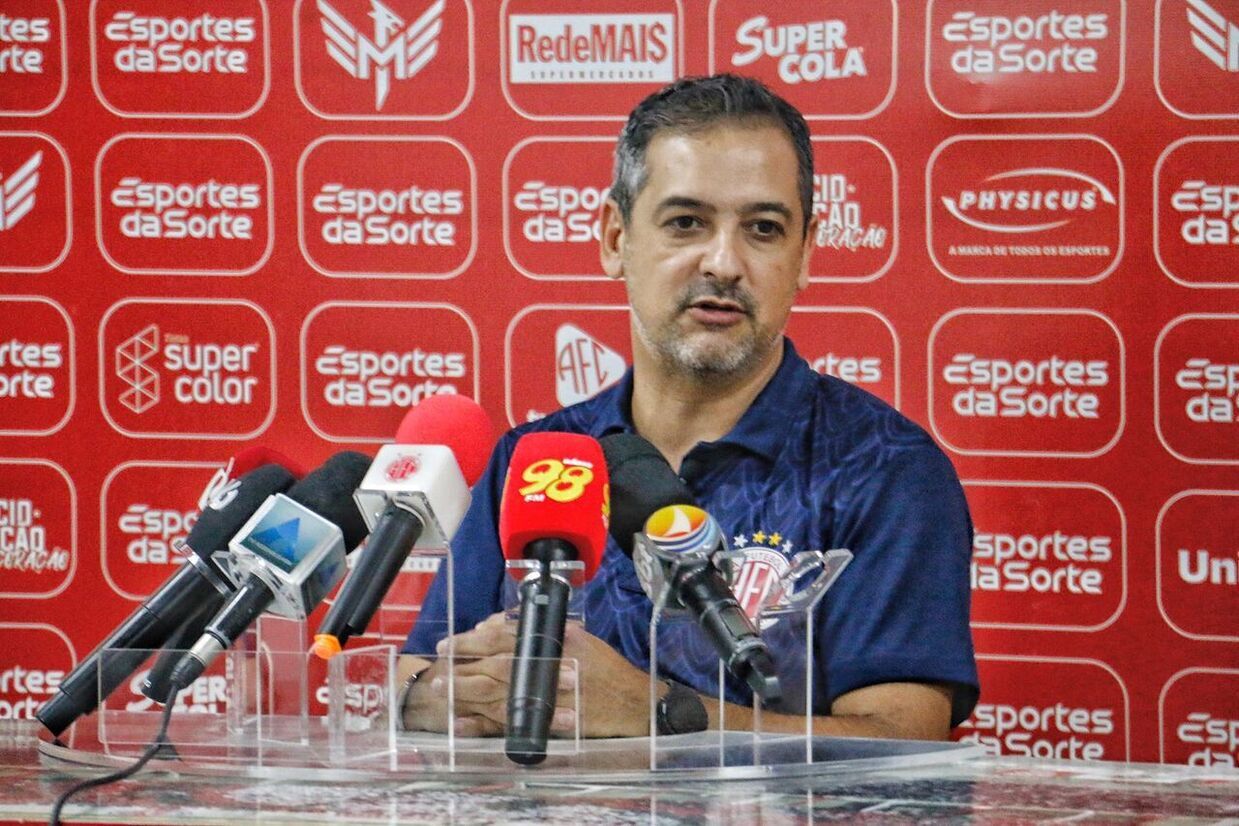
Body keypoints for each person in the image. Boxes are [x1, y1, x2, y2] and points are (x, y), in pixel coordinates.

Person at [398, 74, 978, 741]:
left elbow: (904, 740)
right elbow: (415, 674)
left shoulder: (885, 469)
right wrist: (439, 697)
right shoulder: (539, 461)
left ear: (805, 253)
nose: (724, 262)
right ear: (615, 238)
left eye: (763, 229)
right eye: (686, 223)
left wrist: (653, 712)